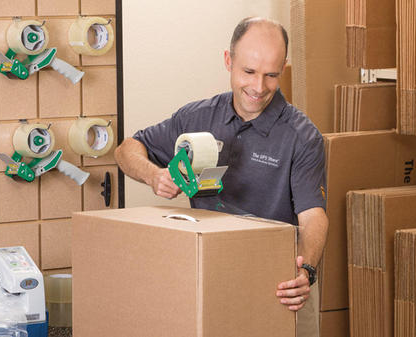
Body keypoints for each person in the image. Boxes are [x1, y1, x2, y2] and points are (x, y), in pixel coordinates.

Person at [114, 17, 328, 337]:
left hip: (279, 285)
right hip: (209, 275)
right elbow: (126, 150)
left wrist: (306, 270)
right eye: (249, 72)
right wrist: (154, 175)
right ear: (228, 61)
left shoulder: (302, 136)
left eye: (271, 75)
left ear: (282, 68)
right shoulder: (197, 117)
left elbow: (313, 215)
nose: (258, 87)